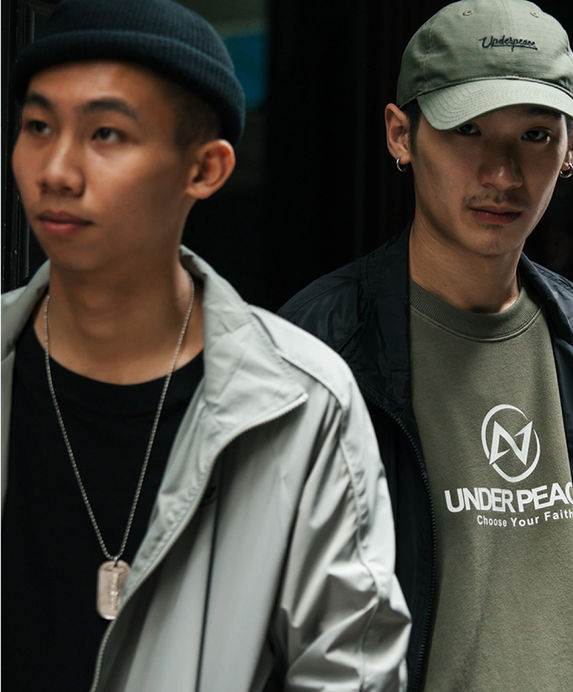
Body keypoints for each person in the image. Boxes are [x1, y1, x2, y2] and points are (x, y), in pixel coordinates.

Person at [280, 1, 573, 689]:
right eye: (467, 130)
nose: (502, 174)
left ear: (572, 149)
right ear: (401, 135)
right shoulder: (320, 345)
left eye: (535, 136)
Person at [1, 0, 411, 689]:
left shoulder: (301, 404)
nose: (57, 170)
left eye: (106, 134)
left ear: (206, 169)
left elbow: (349, 672)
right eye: (38, 127)